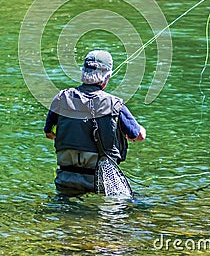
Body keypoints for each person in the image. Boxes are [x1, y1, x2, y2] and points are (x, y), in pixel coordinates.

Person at [44, 49, 146, 195]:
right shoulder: (114, 104)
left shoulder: (61, 98)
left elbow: (48, 133)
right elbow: (139, 135)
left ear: (83, 73)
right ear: (107, 77)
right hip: (102, 180)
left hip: (65, 178)